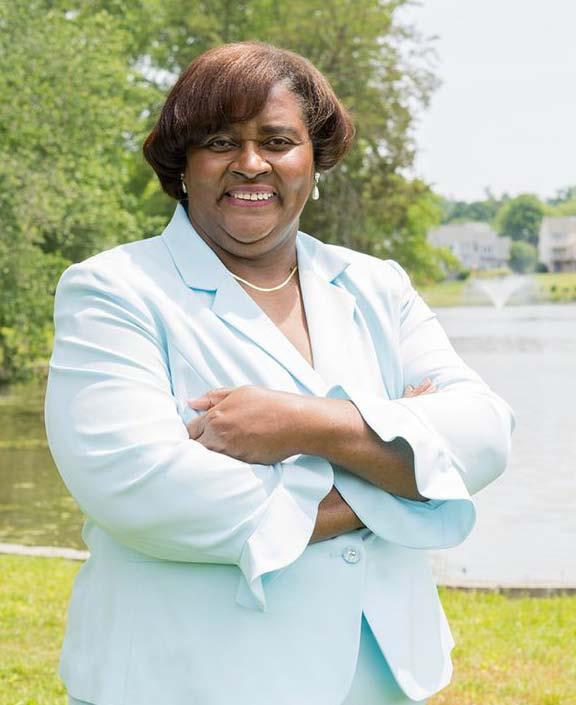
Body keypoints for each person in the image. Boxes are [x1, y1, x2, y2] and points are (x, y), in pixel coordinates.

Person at [44, 42, 515, 705]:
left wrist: (301, 424)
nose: (250, 163)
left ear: (314, 159)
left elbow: (485, 434)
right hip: (190, 681)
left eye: (277, 140)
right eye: (219, 141)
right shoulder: (115, 290)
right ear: (182, 164)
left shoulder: (375, 285)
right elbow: (141, 488)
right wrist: (400, 475)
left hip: (379, 680)